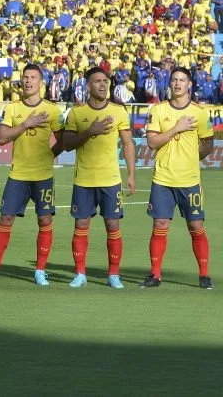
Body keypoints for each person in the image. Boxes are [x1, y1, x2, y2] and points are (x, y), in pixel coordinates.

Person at [0, 63, 64, 286]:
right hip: (18, 174)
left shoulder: (53, 110)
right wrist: (26, 124)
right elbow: (2, 137)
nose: (28, 81)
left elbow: (64, 141)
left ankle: (40, 271)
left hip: (43, 176)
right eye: (25, 77)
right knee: (6, 218)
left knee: (45, 219)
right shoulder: (13, 108)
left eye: (33, 77)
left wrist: (49, 155)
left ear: (41, 83)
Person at [61, 67, 136, 289]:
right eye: (97, 81)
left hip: (111, 180)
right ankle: (80, 273)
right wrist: (90, 131)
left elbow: (128, 143)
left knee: (112, 225)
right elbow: (67, 144)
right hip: (84, 180)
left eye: (105, 81)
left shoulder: (119, 111)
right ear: (88, 86)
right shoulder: (76, 113)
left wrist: (131, 174)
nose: (103, 85)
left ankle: (113, 274)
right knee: (81, 224)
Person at [141, 67, 213, 289]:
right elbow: (152, 142)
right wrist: (176, 128)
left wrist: (191, 157)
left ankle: (203, 275)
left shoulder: (200, 112)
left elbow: (208, 144)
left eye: (182, 80)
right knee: (160, 225)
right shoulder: (158, 110)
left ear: (189, 84)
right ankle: (155, 275)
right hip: (163, 180)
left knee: (196, 226)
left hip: (190, 181)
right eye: (174, 80)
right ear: (169, 84)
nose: (178, 83)